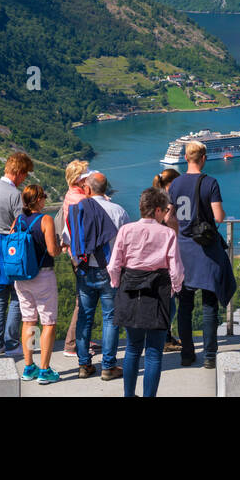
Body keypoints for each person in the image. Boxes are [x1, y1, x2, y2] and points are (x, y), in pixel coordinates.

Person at [109, 188, 184, 398]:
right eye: (165, 210)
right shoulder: (167, 233)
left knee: (132, 348)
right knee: (153, 352)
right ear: (158, 209)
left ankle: (129, 395)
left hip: (130, 289)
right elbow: (176, 268)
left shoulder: (126, 230)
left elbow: (114, 264)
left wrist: (117, 283)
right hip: (158, 292)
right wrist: (175, 289)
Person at [168, 141, 236, 368]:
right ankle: (209, 356)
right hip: (206, 250)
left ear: (186, 158)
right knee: (209, 304)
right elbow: (218, 217)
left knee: (185, 305)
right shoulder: (210, 183)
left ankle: (187, 353)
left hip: (183, 249)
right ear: (204, 158)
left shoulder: (175, 184)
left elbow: (170, 219)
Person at [66, 171, 128, 380]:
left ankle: (84, 365)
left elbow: (69, 240)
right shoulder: (118, 210)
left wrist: (78, 263)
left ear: (88, 189)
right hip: (110, 270)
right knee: (110, 318)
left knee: (85, 316)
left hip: (84, 270)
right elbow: (126, 242)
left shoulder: (77, 211)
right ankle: (108, 367)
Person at [0, 151, 32, 357]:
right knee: (16, 296)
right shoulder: (15, 195)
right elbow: (21, 223)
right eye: (25, 175)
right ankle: (12, 343)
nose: (25, 179)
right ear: (18, 172)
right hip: (12, 246)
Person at [15, 184, 61, 385]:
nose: (45, 199)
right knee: (48, 322)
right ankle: (44, 370)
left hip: (22, 276)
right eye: (43, 196)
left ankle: (28, 366)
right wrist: (62, 246)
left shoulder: (18, 220)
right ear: (38, 200)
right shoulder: (45, 219)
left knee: (28, 320)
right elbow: (52, 250)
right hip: (42, 276)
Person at [59, 159, 90, 359]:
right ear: (79, 179)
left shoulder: (69, 195)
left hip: (73, 252)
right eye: (86, 175)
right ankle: (72, 343)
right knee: (83, 300)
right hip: (82, 255)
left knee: (83, 297)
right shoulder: (80, 200)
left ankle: (81, 338)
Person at [151, 168, 182, 350]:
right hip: (166, 256)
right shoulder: (168, 202)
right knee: (169, 303)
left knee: (161, 300)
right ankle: (164, 338)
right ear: (172, 184)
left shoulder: (153, 199)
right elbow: (171, 222)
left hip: (153, 255)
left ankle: (163, 336)